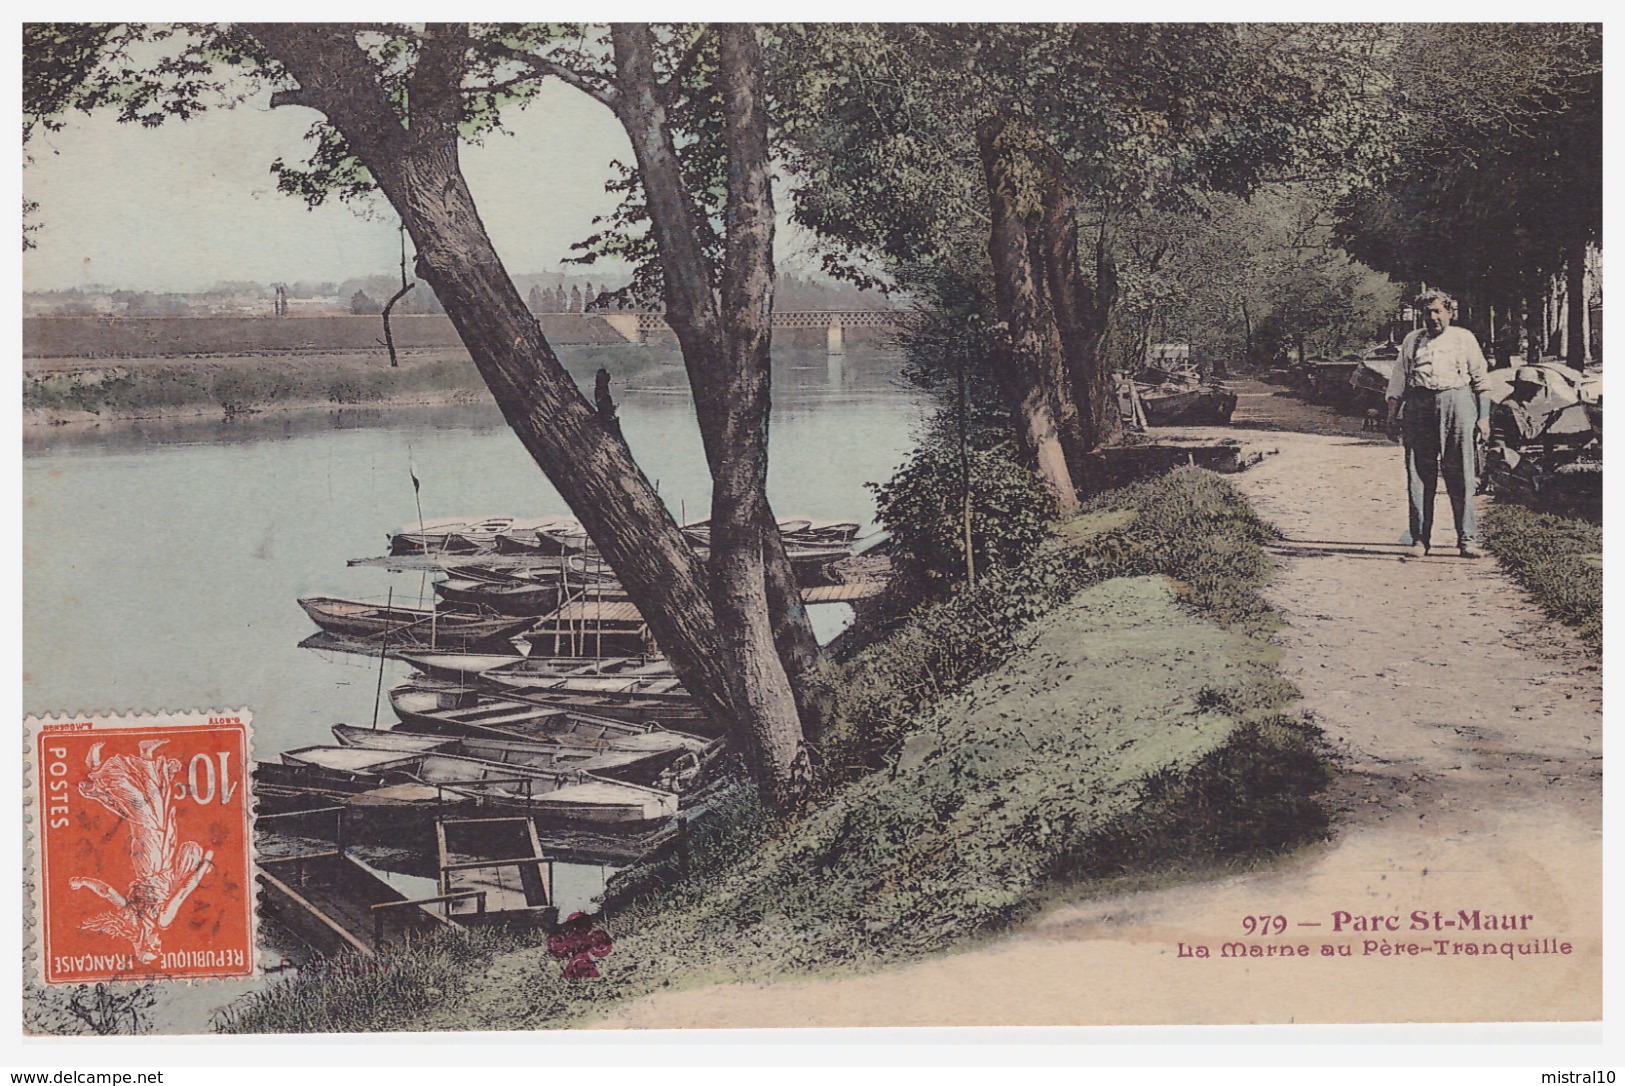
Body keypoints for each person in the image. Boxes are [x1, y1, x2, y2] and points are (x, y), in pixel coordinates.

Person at [1384, 290, 1492, 558]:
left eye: (1437, 311)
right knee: (1420, 474)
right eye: (1426, 313)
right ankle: (1420, 539)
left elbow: (1481, 380)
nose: (1432, 318)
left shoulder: (1463, 338)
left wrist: (1484, 417)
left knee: (1461, 473)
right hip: (1419, 406)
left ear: (1449, 313)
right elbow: (1398, 378)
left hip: (1457, 403)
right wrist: (1392, 414)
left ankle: (1467, 539)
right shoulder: (1412, 340)